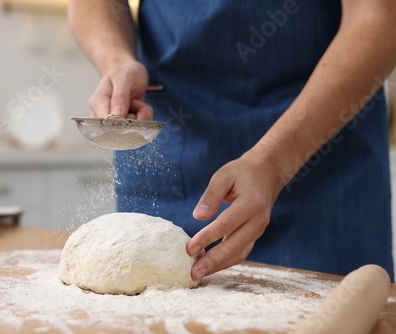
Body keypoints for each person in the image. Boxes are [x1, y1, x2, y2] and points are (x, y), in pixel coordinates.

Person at [68, 0, 396, 281]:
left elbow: (379, 18)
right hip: (173, 143)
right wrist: (117, 60)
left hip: (321, 171)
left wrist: (273, 162)